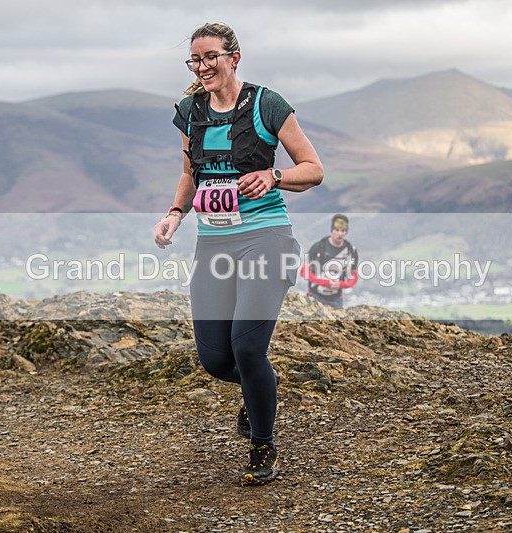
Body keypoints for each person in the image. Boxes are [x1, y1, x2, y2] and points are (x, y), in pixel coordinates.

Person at [153, 22, 324, 486]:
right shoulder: (190, 111)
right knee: (215, 360)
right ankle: (259, 389)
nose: (203, 66)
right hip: (213, 243)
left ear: (234, 58)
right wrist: (175, 213)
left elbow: (314, 169)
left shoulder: (267, 104)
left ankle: (262, 447)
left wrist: (274, 176)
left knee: (248, 348)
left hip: (266, 238)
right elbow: (190, 173)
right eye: (195, 59)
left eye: (211, 57)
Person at [300, 214, 359, 308]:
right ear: (332, 230)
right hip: (314, 296)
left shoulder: (351, 251)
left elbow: (353, 278)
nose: (339, 234)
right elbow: (303, 272)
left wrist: (341, 284)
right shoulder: (318, 247)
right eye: (337, 230)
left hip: (336, 300)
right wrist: (324, 282)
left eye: (343, 231)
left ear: (346, 232)